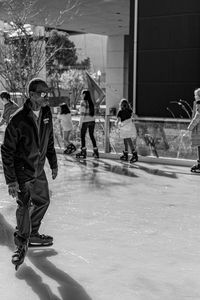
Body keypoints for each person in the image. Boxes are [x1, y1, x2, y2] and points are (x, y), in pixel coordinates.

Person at [1, 78, 58, 268]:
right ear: (31, 94)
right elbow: (6, 150)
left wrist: (54, 163)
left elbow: (49, 140)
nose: (46, 97)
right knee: (24, 205)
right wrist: (11, 181)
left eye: (47, 93)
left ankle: (31, 233)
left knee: (43, 201)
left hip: (39, 168)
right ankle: (21, 243)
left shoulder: (46, 113)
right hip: (23, 171)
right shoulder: (18, 119)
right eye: (43, 94)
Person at [76, 89, 99, 159]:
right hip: (92, 121)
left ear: (84, 95)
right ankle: (96, 152)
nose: (80, 95)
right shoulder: (91, 102)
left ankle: (83, 152)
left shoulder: (83, 102)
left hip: (85, 121)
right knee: (91, 136)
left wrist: (80, 124)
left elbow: (82, 114)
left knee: (82, 136)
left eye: (81, 94)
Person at [116, 98, 138, 163]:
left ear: (121, 105)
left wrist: (116, 123)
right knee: (126, 139)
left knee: (127, 140)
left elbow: (118, 120)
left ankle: (134, 155)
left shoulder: (120, 112)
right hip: (129, 127)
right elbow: (135, 116)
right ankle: (126, 154)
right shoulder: (129, 110)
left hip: (123, 128)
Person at [186, 88, 200, 173]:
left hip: (199, 131)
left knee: (199, 146)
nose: (194, 97)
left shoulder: (199, 104)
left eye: (195, 95)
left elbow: (198, 116)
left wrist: (190, 127)